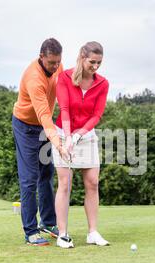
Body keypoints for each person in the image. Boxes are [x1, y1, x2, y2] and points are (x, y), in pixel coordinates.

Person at [12, 38, 70, 246]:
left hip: (45, 127)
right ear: (41, 57)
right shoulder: (33, 78)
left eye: (58, 62)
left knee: (46, 173)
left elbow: (65, 87)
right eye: (51, 63)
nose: (55, 67)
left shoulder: (58, 66)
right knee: (29, 178)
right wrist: (58, 142)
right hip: (26, 126)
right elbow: (44, 115)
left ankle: (48, 222)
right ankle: (30, 231)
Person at [53, 41, 110, 249]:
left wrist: (79, 135)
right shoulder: (65, 78)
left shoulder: (102, 84)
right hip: (63, 133)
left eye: (99, 63)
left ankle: (92, 232)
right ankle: (63, 234)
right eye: (92, 62)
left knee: (93, 182)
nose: (95, 67)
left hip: (86, 135)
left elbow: (97, 115)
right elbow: (65, 109)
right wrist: (68, 137)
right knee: (65, 183)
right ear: (82, 57)